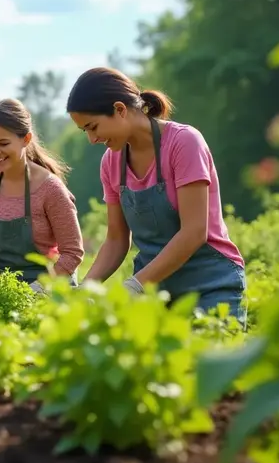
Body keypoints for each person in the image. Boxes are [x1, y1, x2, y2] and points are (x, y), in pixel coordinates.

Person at [66, 66, 246, 321]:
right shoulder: (111, 163)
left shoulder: (183, 142)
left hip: (211, 285)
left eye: (93, 127)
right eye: (85, 131)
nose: (92, 139)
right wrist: (87, 287)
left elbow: (194, 232)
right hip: (156, 293)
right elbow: (117, 240)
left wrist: (135, 285)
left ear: (119, 109)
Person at [0, 98, 85, 292]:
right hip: (2, 290)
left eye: (3, 143)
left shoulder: (50, 189)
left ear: (26, 139)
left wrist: (39, 289)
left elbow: (72, 253)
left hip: (49, 292)